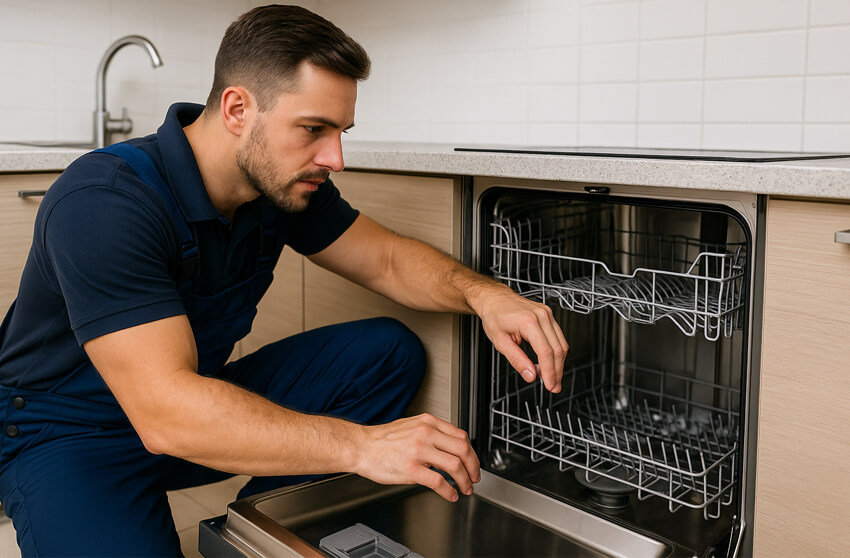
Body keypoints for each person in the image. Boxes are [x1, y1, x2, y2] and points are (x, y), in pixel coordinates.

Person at [0, 5, 567, 557]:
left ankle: (257, 529)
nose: (335, 156)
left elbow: (387, 261)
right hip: (67, 436)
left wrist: (483, 293)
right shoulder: (105, 201)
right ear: (238, 109)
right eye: (314, 128)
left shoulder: (279, 187)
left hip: (183, 408)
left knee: (386, 354)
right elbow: (166, 412)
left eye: (341, 130)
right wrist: (362, 447)